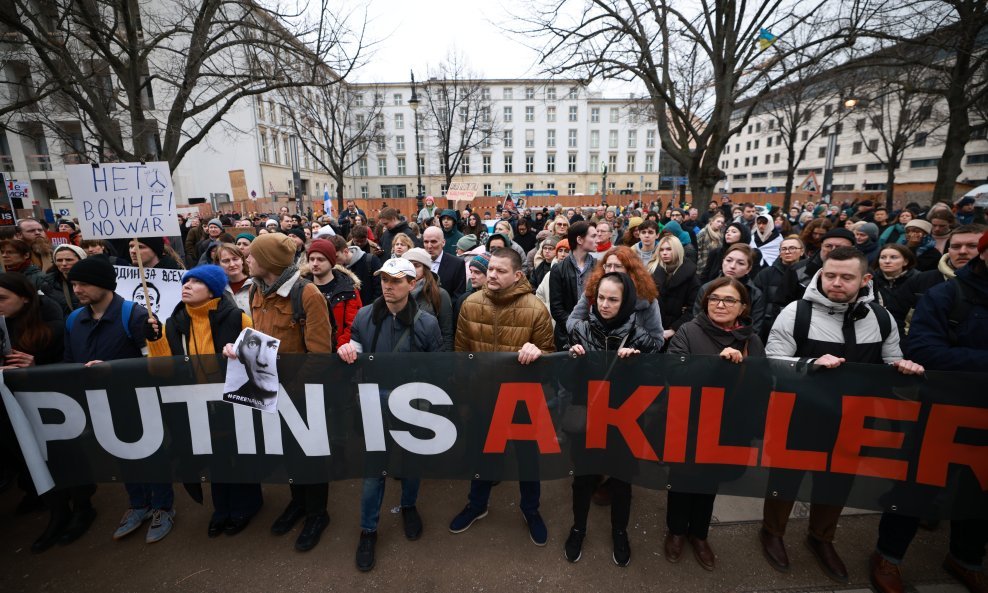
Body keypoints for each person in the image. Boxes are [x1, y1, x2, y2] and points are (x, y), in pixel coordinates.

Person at [760, 247, 924, 582]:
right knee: (786, 478)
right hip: (798, 416)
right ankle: (772, 532)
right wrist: (809, 365)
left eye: (846, 277)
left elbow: (892, 358)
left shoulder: (881, 317)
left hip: (853, 419)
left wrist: (901, 367)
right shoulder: (796, 313)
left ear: (864, 279)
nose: (836, 282)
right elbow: (772, 362)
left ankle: (822, 537)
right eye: (829, 275)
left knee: (837, 480)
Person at [868, 229, 988, 593]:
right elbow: (922, 349)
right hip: (944, 409)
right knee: (917, 485)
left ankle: (966, 558)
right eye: (960, 246)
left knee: (979, 489)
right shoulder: (946, 295)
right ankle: (889, 556)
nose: (965, 251)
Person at [222, 232, 332, 552]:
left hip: (302, 394)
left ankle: (317, 513)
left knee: (309, 454)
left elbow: (321, 354)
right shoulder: (258, 290)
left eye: (253, 256)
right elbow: (259, 339)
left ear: (269, 261)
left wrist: (292, 391)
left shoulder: (307, 294)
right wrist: (240, 352)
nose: (246, 259)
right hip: (272, 391)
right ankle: (298, 503)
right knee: (288, 453)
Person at [336, 257, 442, 572]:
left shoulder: (427, 322)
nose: (388, 286)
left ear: (412, 284)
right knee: (373, 472)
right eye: (384, 279)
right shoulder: (365, 315)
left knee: (411, 463)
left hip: (413, 405)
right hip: (373, 403)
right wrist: (346, 352)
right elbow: (352, 351)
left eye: (396, 281)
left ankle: (408, 506)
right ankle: (368, 530)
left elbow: (438, 368)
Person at [449, 248, 555, 546]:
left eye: (500, 270)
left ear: (518, 275)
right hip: (483, 398)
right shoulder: (470, 304)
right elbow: (460, 354)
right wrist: (465, 397)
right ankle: (477, 505)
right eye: (490, 269)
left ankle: (530, 510)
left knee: (527, 459)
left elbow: (549, 356)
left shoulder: (535, 308)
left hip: (522, 400)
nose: (492, 275)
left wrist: (539, 353)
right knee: (482, 455)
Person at [145, 264, 259, 537]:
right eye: (186, 281)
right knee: (214, 456)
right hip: (195, 405)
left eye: (196, 282)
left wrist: (238, 353)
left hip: (232, 402)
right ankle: (221, 508)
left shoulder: (236, 318)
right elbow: (161, 371)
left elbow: (257, 362)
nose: (187, 285)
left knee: (239, 454)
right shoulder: (173, 323)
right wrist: (155, 340)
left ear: (212, 289)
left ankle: (247, 504)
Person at [63, 257, 170, 544]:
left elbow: (153, 364)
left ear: (104, 284)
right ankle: (138, 504)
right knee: (120, 454)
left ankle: (162, 506)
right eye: (74, 284)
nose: (77, 289)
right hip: (100, 403)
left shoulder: (133, 315)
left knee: (150, 453)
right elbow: (69, 362)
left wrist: (118, 368)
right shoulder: (74, 319)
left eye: (84, 283)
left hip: (138, 400)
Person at [666, 277, 765, 570]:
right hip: (689, 424)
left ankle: (699, 534)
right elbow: (675, 375)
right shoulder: (688, 331)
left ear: (743, 307)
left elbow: (762, 383)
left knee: (710, 482)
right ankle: (675, 531)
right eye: (714, 299)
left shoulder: (751, 339)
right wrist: (716, 366)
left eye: (729, 300)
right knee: (682, 480)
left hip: (728, 427)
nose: (720, 305)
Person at [565, 272, 661, 567]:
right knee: (582, 478)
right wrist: (572, 361)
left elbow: (657, 382)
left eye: (613, 300)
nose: (605, 305)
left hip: (625, 420)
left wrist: (637, 366)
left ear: (627, 301)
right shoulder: (579, 328)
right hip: (588, 415)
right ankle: (578, 527)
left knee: (621, 480)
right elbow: (566, 384)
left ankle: (619, 532)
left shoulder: (643, 337)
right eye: (601, 298)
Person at [0, 273, 65, 552]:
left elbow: (69, 364)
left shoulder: (50, 324)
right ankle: (38, 494)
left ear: (24, 297)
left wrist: (36, 364)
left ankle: (71, 509)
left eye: (2, 298)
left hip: (50, 409)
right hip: (9, 411)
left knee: (56, 456)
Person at [694, 244, 766, 336]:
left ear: (748, 269)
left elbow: (755, 329)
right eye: (728, 260)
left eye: (740, 263)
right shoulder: (707, 288)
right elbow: (697, 319)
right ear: (723, 261)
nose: (732, 266)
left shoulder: (755, 294)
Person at [305, 239, 362, 352]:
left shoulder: (348, 288)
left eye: (321, 259)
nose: (315, 263)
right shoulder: (300, 288)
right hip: (306, 355)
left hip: (339, 354)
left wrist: (339, 348)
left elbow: (354, 324)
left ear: (331, 261)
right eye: (311, 259)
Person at [550, 221, 599, 350]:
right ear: (579, 239)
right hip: (566, 335)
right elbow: (556, 308)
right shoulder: (558, 269)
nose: (597, 240)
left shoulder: (598, 266)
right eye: (593, 236)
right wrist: (576, 327)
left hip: (595, 335)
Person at [753, 236, 803, 342]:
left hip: (798, 325)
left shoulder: (808, 274)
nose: (787, 252)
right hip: (768, 326)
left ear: (802, 251)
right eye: (784, 249)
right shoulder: (766, 274)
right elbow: (757, 304)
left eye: (792, 248)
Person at [402, 247, 454, 351]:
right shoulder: (398, 291)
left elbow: (446, 333)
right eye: (408, 265)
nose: (412, 269)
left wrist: (446, 362)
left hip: (429, 355)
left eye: (416, 265)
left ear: (425, 269)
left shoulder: (440, 294)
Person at [652, 236, 700, 344]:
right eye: (661, 249)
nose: (664, 253)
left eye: (669, 249)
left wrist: (674, 329)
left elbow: (694, 309)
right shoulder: (654, 273)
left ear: (677, 250)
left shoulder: (691, 277)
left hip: (679, 334)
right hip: (656, 330)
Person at [871, 244, 918, 337]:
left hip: (907, 332)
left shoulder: (918, 280)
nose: (887, 261)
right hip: (875, 331)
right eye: (883, 257)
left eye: (893, 257)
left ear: (905, 261)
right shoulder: (870, 279)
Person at [37, 244, 86, 315]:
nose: (64, 264)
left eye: (69, 260)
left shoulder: (94, 281)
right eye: (59, 260)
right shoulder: (47, 283)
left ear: (81, 260)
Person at [422, 226, 466, 300]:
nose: (429, 246)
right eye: (426, 242)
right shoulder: (418, 263)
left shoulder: (457, 264)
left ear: (443, 242)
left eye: (433, 241)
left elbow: (458, 296)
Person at [213, 243, 253, 314]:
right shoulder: (217, 289)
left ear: (242, 260)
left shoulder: (256, 285)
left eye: (235, 259)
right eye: (226, 261)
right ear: (218, 264)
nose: (232, 264)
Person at [695, 213, 725, 280]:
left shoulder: (721, 235)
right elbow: (698, 251)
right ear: (712, 221)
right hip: (703, 266)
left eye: (722, 222)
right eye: (718, 221)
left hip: (714, 267)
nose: (720, 224)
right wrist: (699, 266)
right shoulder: (703, 233)